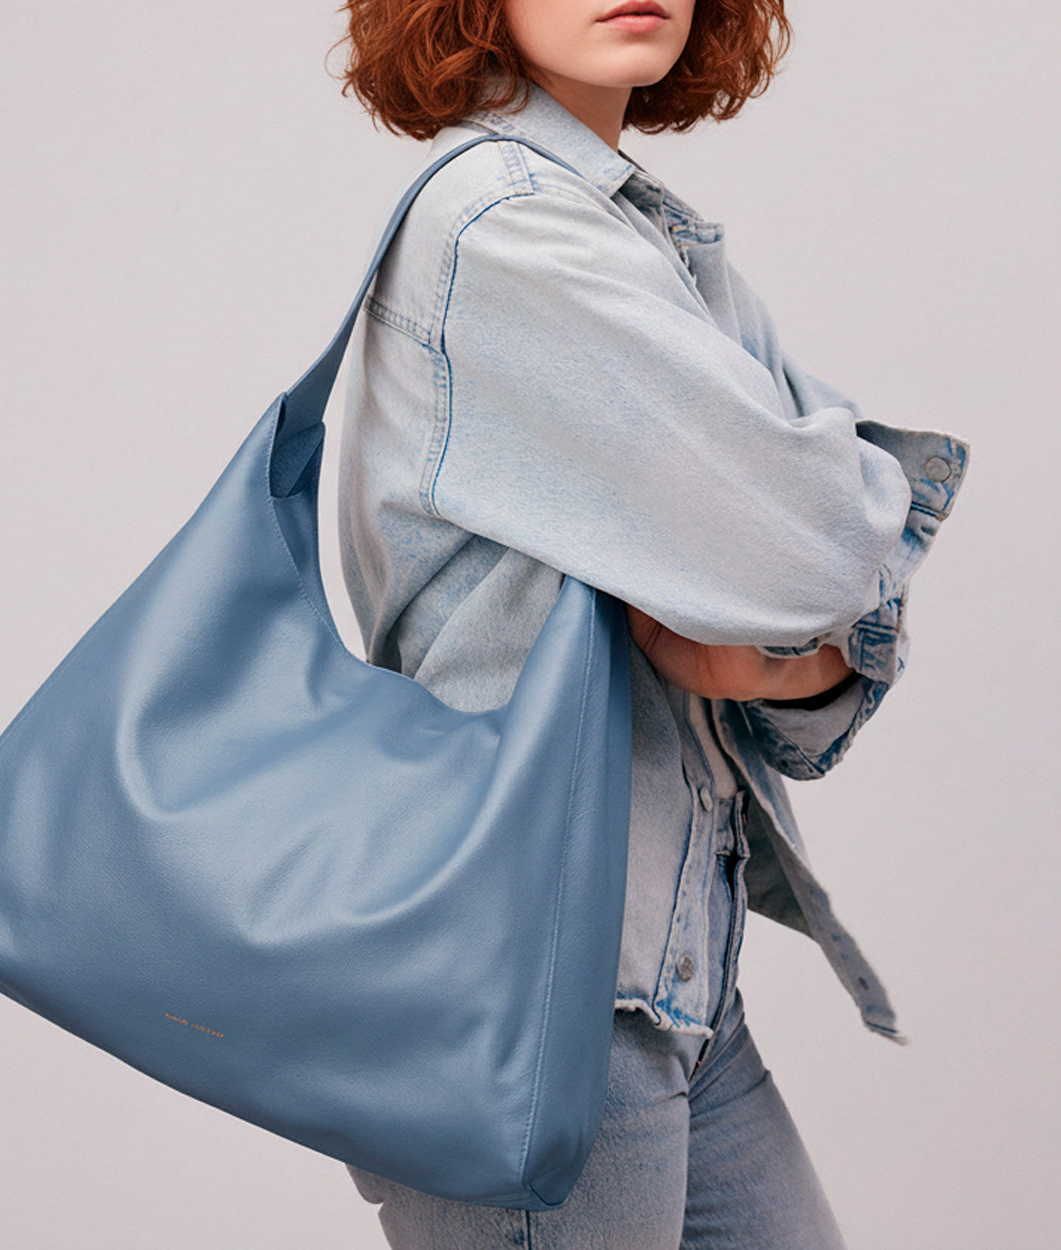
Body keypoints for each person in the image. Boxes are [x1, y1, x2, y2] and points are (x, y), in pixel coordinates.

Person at [329, 1, 970, 1246]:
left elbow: (809, 586)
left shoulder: (635, 233)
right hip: (521, 998)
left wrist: (791, 650)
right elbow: (823, 541)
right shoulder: (507, 231)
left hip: (664, 980)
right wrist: (809, 600)